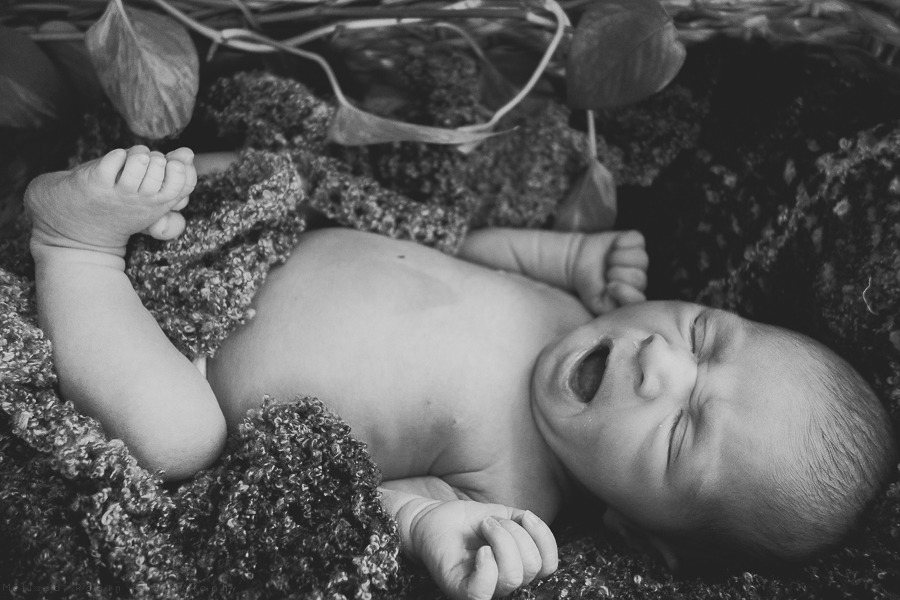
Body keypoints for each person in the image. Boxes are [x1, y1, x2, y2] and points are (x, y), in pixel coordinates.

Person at [25, 146, 897, 600]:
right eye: (704, 335)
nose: (660, 361)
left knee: (176, 441)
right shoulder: (574, 310)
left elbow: (372, 500)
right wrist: (573, 255)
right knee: (275, 171)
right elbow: (466, 247)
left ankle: (76, 249)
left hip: (187, 365)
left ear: (643, 537)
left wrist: (435, 531)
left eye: (679, 430)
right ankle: (139, 184)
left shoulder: (518, 493)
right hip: (250, 242)